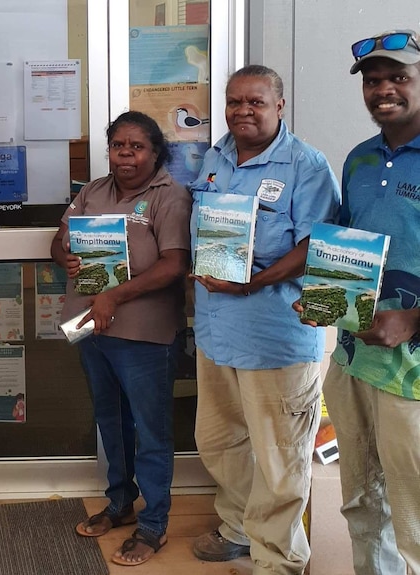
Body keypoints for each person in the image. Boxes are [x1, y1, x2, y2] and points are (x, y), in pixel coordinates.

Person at [189, 65, 340, 574]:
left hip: (274, 336)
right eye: (234, 102)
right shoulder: (216, 156)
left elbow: (315, 244)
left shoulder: (306, 165)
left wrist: (253, 283)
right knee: (220, 441)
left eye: (255, 102)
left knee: (280, 459)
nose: (242, 112)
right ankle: (237, 528)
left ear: (280, 106)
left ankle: (278, 559)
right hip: (216, 333)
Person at [52, 110, 192, 567]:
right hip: (93, 327)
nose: (126, 154)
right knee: (110, 419)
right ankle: (119, 502)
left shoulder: (169, 196)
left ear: (155, 152)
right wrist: (66, 257)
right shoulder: (93, 190)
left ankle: (154, 524)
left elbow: (173, 264)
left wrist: (113, 295)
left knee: (151, 430)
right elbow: (61, 239)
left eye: (137, 147)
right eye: (118, 146)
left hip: (145, 334)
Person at [316, 30, 420, 574]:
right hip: (354, 362)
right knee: (361, 504)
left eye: (399, 77)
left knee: (417, 517)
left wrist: (414, 318)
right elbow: (343, 245)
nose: (384, 89)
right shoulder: (359, 159)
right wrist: (321, 298)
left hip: (414, 377)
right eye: (374, 80)